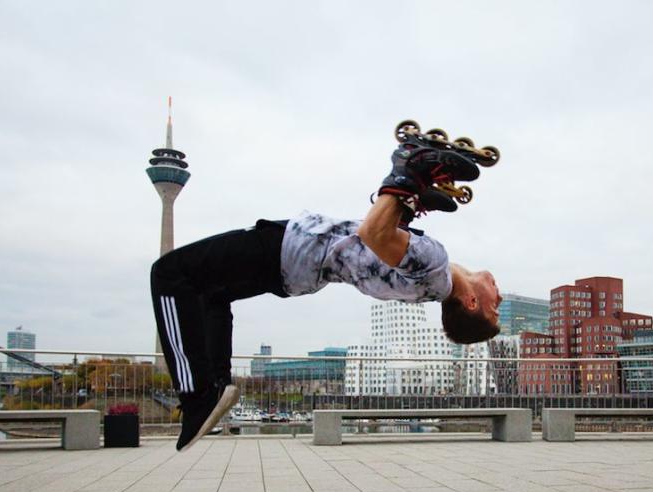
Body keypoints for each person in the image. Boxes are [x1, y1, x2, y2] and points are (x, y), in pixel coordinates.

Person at [151, 135, 503, 450]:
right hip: (293, 271)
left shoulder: (433, 266)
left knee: (169, 273)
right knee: (210, 293)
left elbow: (374, 234)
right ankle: (216, 381)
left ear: (471, 302)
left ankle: (198, 397)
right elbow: (379, 245)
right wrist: (412, 201)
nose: (499, 298)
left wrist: (405, 172)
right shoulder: (429, 282)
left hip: (289, 249)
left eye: (494, 309)